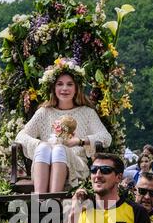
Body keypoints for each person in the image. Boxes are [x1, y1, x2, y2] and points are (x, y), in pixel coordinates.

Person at [16, 57, 112, 193]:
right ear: (54, 88)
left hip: (75, 164)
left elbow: (106, 137)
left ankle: (54, 199)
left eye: (69, 84)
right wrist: (39, 144)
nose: (64, 88)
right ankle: (40, 201)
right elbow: (21, 136)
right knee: (43, 147)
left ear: (76, 88)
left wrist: (79, 141)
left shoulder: (87, 112)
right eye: (60, 84)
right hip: (45, 162)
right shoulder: (44, 112)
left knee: (59, 149)